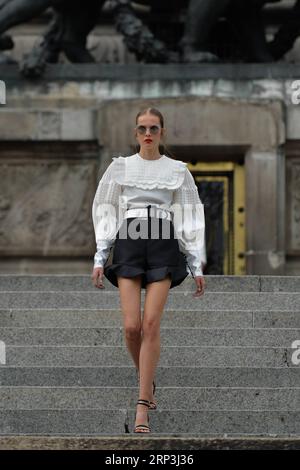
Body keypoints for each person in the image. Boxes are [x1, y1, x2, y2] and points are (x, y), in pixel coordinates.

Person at [91, 107, 206, 433]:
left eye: (154, 128)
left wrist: (196, 264)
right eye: (142, 127)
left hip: (163, 242)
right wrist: (100, 258)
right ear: (135, 132)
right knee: (131, 327)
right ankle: (148, 382)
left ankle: (142, 404)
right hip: (129, 240)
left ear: (162, 132)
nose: (148, 133)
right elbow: (106, 210)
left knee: (151, 324)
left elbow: (189, 216)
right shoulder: (120, 168)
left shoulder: (178, 170)